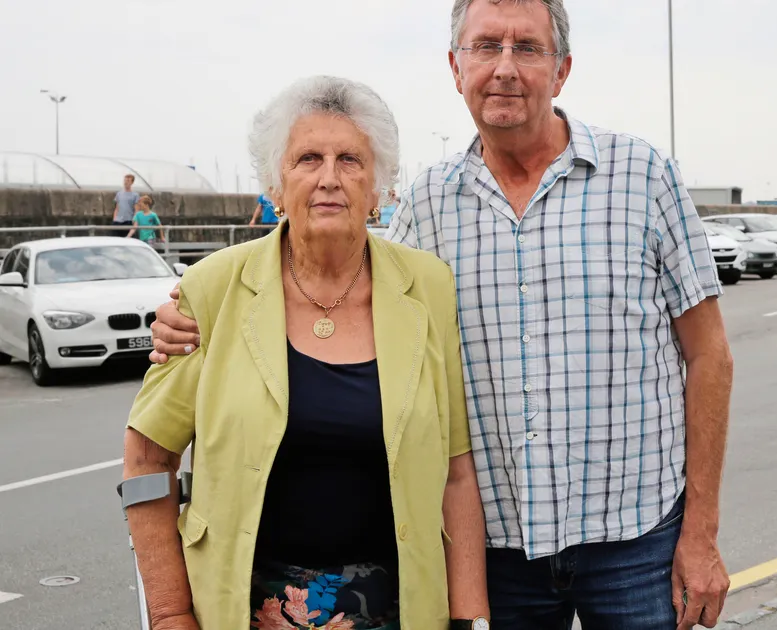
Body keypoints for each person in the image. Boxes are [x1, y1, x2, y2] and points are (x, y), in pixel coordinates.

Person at [150, 1, 733, 628]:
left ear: (562, 69)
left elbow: (710, 356)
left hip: (635, 543)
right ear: (456, 68)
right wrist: (194, 315)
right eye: (486, 46)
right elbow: (354, 284)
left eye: (527, 47)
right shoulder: (427, 205)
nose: (504, 67)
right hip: (496, 558)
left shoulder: (643, 177)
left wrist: (700, 533)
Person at [123, 76, 489, 630]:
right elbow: (147, 459)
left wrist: (471, 619)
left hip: (397, 609)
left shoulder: (428, 288)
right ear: (276, 184)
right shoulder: (213, 289)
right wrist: (171, 613)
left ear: (379, 189)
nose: (329, 178)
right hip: (246, 608)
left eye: (350, 160)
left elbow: (457, 474)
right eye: (308, 159)